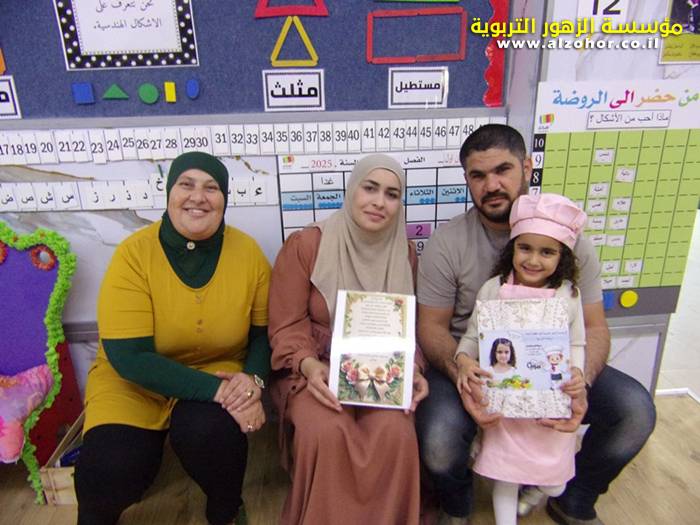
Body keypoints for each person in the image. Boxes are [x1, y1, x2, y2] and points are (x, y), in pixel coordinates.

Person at [415, 124, 656, 525]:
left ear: (527, 167)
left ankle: (573, 499)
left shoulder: (572, 241)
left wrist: (580, 381)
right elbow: (432, 328)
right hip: (471, 365)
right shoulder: (447, 243)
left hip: (555, 369)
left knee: (635, 412)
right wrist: (463, 372)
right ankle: (456, 505)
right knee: (439, 441)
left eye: (503, 170)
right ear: (467, 180)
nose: (492, 185)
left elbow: (594, 327)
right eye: (478, 175)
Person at [74, 152, 272, 525]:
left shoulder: (248, 253)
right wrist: (222, 392)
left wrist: (254, 383)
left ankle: (226, 510)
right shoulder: (133, 254)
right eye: (186, 185)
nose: (198, 197)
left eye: (211, 188)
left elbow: (262, 335)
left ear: (224, 199)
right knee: (109, 468)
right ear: (169, 194)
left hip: (215, 368)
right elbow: (129, 356)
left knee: (212, 435)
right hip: (133, 383)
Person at [268, 153, 429, 525]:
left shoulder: (404, 252)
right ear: (352, 189)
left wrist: (415, 370)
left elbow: (408, 326)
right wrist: (309, 365)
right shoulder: (307, 244)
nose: (379, 202)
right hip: (313, 368)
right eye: (370, 188)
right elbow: (286, 324)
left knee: (395, 431)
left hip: (381, 371)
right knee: (327, 429)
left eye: (391, 194)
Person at [454, 193, 588, 525]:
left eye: (547, 252)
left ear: (563, 256)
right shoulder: (493, 289)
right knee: (505, 476)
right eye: (525, 248)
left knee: (555, 483)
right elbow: (472, 337)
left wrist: (577, 374)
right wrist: (464, 360)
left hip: (549, 409)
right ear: (512, 248)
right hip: (506, 410)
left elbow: (577, 343)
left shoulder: (568, 295)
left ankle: (538, 491)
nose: (533, 260)